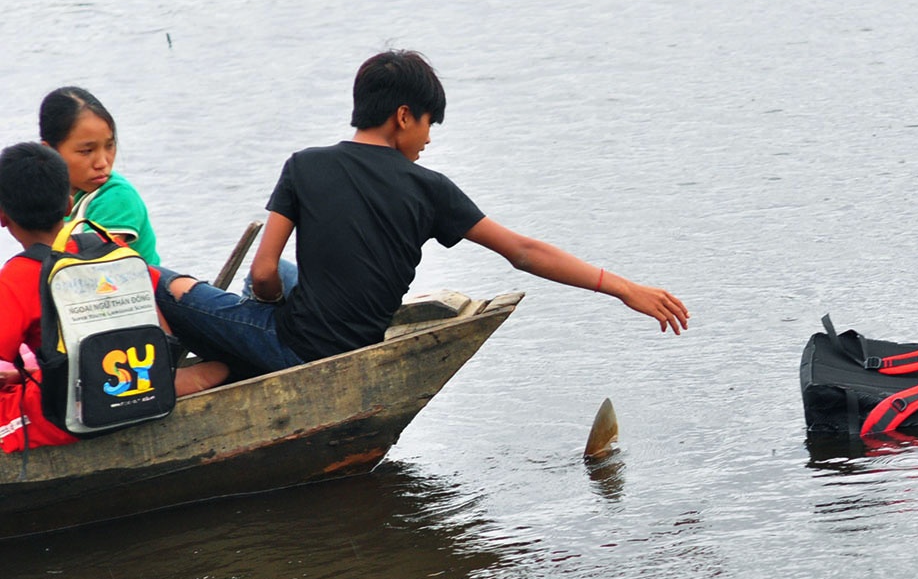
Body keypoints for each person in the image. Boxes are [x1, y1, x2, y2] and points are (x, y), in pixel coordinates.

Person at [154, 50, 689, 378]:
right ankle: (243, 352)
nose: (429, 140)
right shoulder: (431, 189)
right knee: (275, 281)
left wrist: (264, 302)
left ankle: (215, 366)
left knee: (165, 283)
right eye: (429, 125)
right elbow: (524, 252)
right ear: (403, 116)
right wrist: (622, 287)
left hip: (300, 346)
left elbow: (266, 272)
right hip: (353, 341)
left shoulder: (303, 166)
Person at [0, 142, 227, 453]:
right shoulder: (113, 248)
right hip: (141, 381)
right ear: (69, 204)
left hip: (75, 411)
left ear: (2, 216)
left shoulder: (18, 276)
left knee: (11, 402)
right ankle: (169, 380)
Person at [39, 86, 160, 264]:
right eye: (87, 151)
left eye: (110, 146)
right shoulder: (44, 196)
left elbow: (94, 263)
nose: (102, 163)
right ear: (49, 152)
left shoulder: (116, 197)